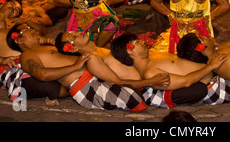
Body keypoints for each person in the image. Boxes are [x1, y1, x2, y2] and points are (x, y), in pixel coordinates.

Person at [12, 26, 150, 112]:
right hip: (86, 87)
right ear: (20, 41)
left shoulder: (48, 48)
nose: (33, 30)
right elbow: (42, 75)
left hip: (95, 78)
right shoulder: (27, 55)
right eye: (27, 31)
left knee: (143, 89)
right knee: (134, 97)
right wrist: (75, 66)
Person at [111, 32, 228, 92]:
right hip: (213, 82)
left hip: (214, 66)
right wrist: (212, 66)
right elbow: (186, 81)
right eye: (137, 41)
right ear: (130, 51)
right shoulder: (150, 74)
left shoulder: (152, 55)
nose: (142, 42)